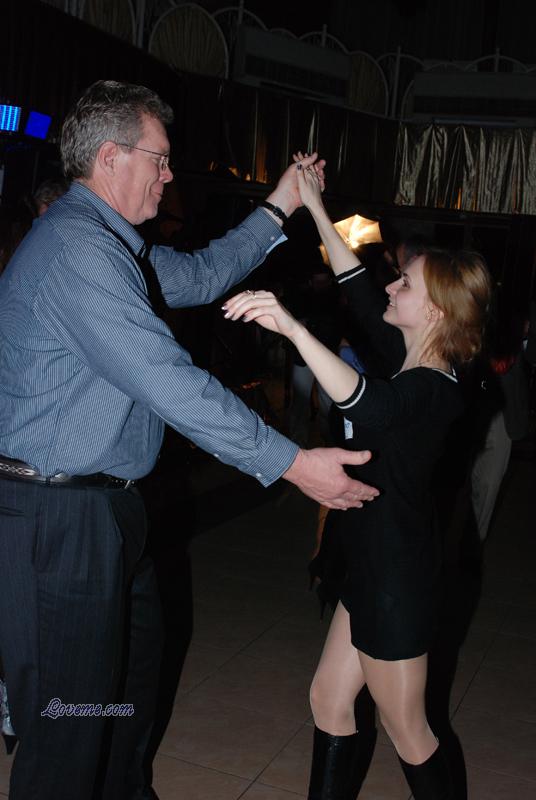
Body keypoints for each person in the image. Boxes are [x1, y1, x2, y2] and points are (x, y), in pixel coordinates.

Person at [0, 81, 379, 800]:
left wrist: (282, 205)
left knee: (128, 686)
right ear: (110, 157)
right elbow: (166, 379)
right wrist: (292, 463)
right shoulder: (78, 251)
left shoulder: (115, 248)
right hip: (58, 518)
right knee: (68, 721)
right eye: (160, 159)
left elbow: (204, 275)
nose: (169, 175)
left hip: (105, 510)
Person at [223, 157, 491, 800]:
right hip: (373, 563)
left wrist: (291, 327)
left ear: (435, 312)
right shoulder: (410, 353)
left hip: (398, 579)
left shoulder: (437, 390)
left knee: (409, 732)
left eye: (405, 284)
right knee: (328, 699)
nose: (391, 286)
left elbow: (369, 404)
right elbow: (357, 285)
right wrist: (315, 205)